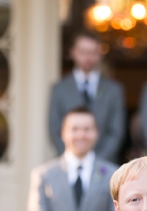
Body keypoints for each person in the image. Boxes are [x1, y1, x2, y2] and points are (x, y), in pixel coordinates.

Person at [49, 31, 126, 163]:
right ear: (73, 52)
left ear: (100, 54)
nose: (88, 58)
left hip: (103, 164)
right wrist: (73, 158)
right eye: (83, 52)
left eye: (93, 53)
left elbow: (116, 131)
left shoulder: (114, 90)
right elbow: (54, 129)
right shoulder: (59, 89)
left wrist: (96, 161)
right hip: (68, 164)